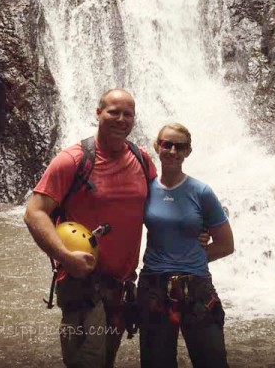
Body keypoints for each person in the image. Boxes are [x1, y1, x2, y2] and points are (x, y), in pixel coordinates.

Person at [24, 88, 157, 368]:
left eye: (128, 114)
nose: (121, 119)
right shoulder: (73, 160)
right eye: (113, 112)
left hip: (121, 286)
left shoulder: (142, 160)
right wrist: (65, 257)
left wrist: (198, 228)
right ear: (98, 113)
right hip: (83, 286)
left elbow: (159, 208)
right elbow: (34, 213)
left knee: (105, 361)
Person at [138, 122, 234, 368]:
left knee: (212, 361)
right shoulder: (144, 190)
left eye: (179, 147)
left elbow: (225, 244)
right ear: (157, 147)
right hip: (154, 285)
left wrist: (191, 256)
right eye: (166, 144)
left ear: (188, 151)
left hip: (196, 287)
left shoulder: (201, 192)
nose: (172, 151)